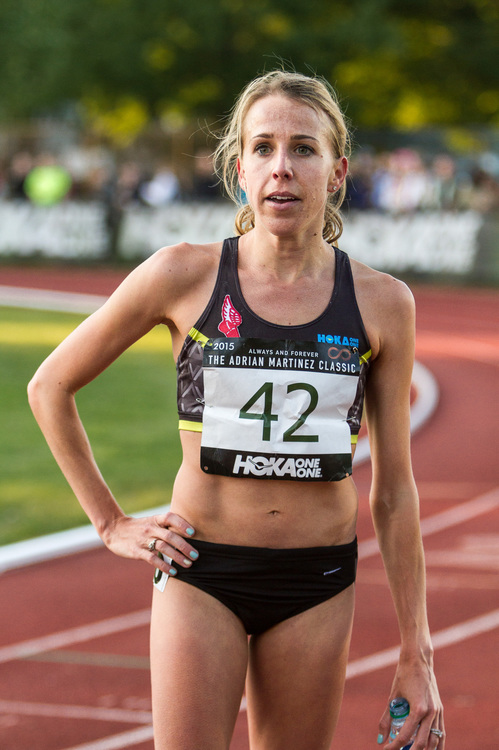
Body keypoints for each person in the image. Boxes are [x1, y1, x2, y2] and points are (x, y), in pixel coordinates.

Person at [28, 70, 444, 750]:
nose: (283, 167)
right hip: (203, 572)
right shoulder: (182, 274)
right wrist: (109, 523)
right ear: (240, 167)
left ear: (337, 171)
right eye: (263, 147)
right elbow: (49, 386)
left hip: (316, 582)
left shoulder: (383, 302)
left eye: (304, 149)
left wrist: (416, 651)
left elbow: (394, 491)